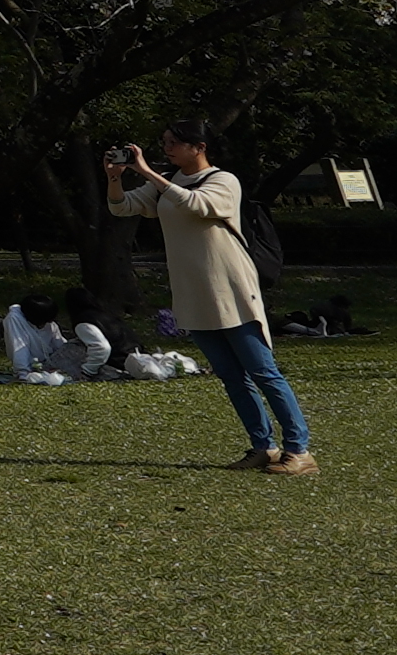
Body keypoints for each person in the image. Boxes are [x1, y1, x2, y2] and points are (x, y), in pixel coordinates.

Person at [106, 128, 314, 473]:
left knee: (263, 372)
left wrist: (146, 172)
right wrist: (115, 179)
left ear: (198, 147)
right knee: (231, 376)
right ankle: (263, 447)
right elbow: (122, 207)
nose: (167, 148)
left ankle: (300, 450)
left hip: (231, 290)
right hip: (194, 294)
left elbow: (197, 205)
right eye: (165, 143)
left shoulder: (223, 180)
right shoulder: (167, 180)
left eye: (174, 143)